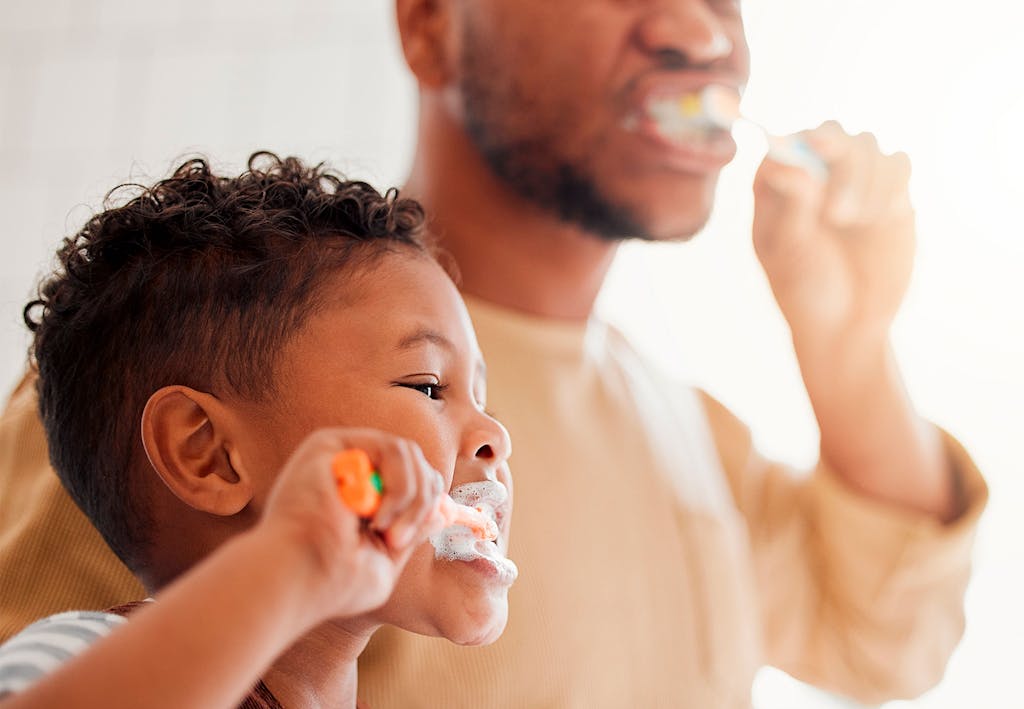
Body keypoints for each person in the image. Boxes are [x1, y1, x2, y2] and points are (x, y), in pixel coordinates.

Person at [0, 1, 989, 707]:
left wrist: (847, 346)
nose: (698, 31)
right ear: (430, 23)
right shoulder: (188, 355)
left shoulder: (686, 424)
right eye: (427, 384)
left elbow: (886, 643)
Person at [0, 153, 517, 708]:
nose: (496, 434)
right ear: (209, 454)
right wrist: (290, 563)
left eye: (481, 398)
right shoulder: (91, 659)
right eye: (428, 387)